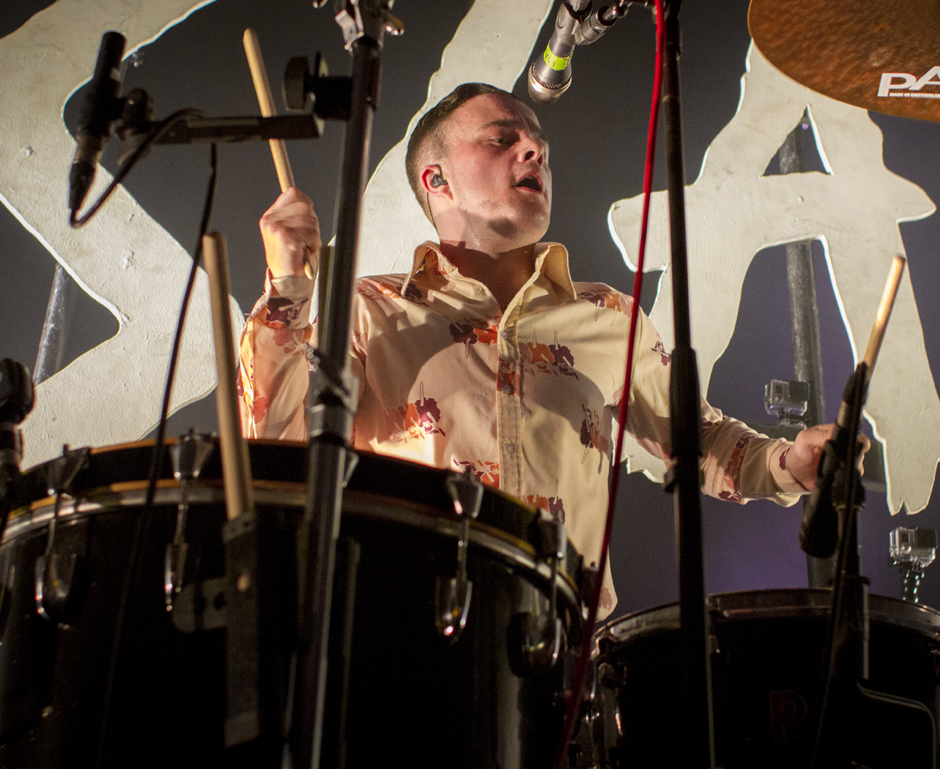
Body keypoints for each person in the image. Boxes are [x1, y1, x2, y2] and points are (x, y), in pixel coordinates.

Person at [238, 83, 836, 615]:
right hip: (411, 624)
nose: (535, 150)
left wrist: (794, 462)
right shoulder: (369, 309)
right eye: (503, 138)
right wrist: (288, 288)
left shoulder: (608, 316)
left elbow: (698, 442)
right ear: (435, 179)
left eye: (538, 142)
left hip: (564, 647)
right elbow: (273, 440)